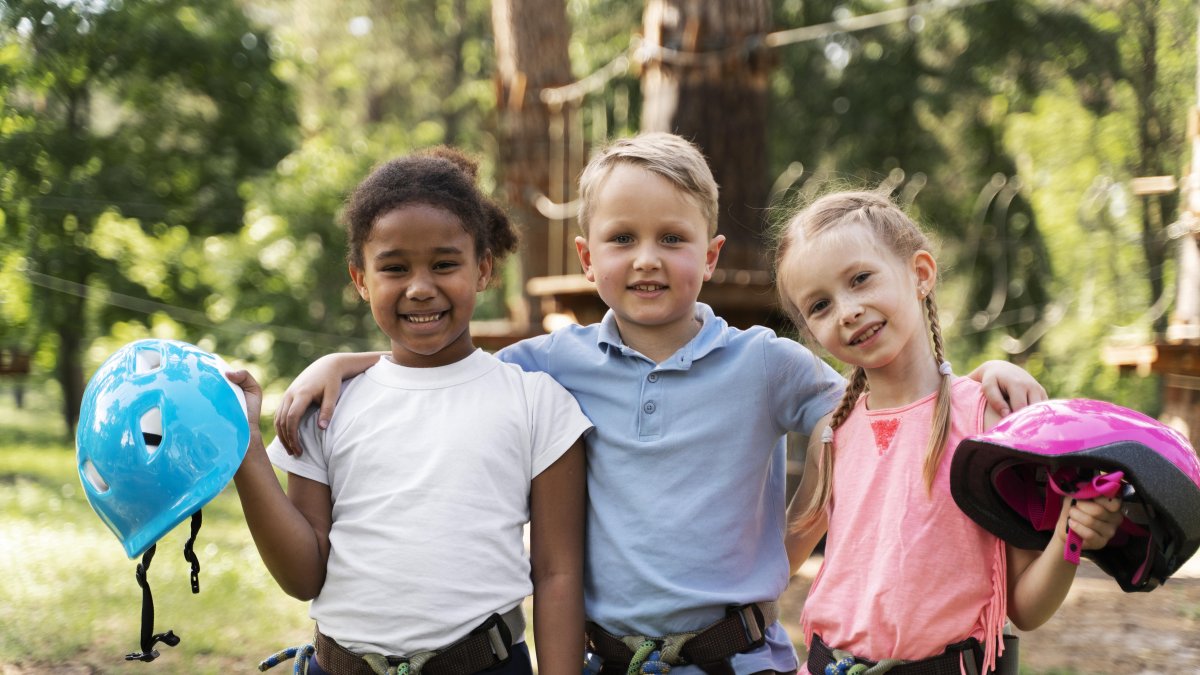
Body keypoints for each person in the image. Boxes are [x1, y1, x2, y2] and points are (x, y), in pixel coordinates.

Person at [274, 134, 1046, 675]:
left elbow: (885, 399)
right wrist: (350, 360)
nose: (646, 258)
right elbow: (443, 368)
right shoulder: (553, 364)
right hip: (602, 657)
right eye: (622, 238)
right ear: (587, 257)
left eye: (672, 238)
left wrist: (970, 375)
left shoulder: (767, 363)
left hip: (738, 657)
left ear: (709, 256)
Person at [226, 147, 593, 675]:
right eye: (394, 268)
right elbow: (304, 577)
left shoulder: (536, 402)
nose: (420, 288)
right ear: (360, 279)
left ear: (483, 269)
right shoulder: (326, 405)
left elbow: (558, 573)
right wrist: (246, 450)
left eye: (445, 264)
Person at [772, 190, 1126, 675]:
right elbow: (773, 567)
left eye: (860, 279)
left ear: (920, 274)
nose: (847, 310)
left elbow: (1027, 608)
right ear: (812, 332)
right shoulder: (832, 435)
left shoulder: (991, 422)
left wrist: (1070, 534)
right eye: (819, 305)